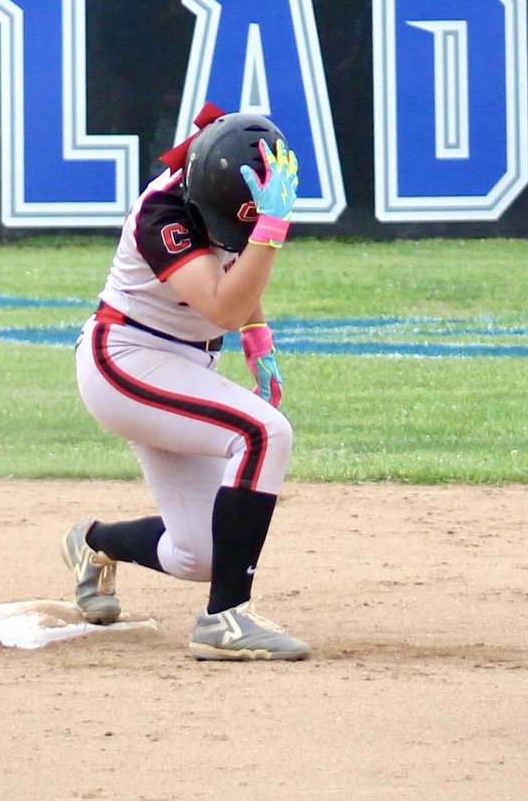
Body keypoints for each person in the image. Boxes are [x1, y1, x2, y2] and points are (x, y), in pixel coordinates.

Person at [62, 104, 309, 661]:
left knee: (198, 555)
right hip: (124, 361)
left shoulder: (224, 187)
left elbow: (237, 274)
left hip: (180, 366)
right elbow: (222, 304)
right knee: (263, 433)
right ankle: (225, 619)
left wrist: (259, 340)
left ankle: (94, 543)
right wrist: (268, 234)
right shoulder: (163, 212)